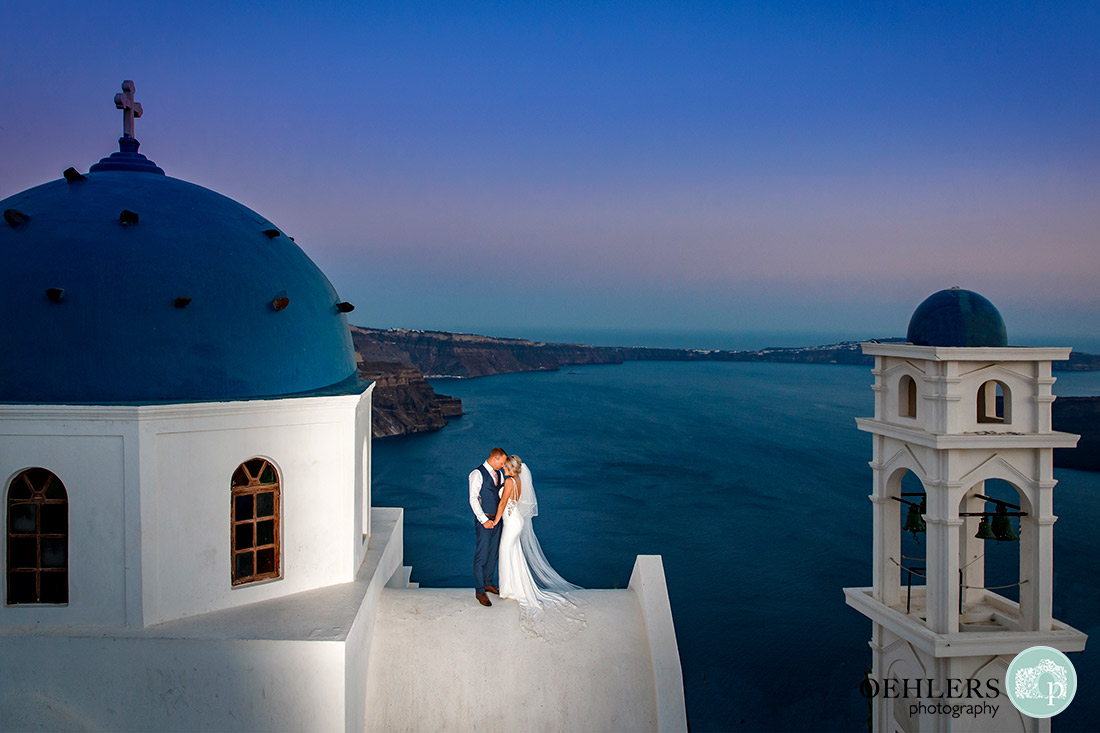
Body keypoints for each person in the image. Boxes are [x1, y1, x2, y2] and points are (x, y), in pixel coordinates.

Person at [486, 454, 585, 640]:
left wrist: (494, 521)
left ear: (510, 469)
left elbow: (502, 504)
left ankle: (510, 589)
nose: (503, 468)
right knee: (513, 554)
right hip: (515, 521)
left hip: (511, 523)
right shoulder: (517, 480)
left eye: (505, 466)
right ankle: (511, 588)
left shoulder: (509, 482)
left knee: (506, 553)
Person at [469, 447, 507, 606]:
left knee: (493, 553)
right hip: (485, 520)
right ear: (495, 458)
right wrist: (484, 519)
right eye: (503, 462)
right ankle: (479, 591)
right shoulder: (477, 474)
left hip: (498, 520)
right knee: (482, 555)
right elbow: (473, 499)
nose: (503, 465)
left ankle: (488, 582)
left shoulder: (499, 473)